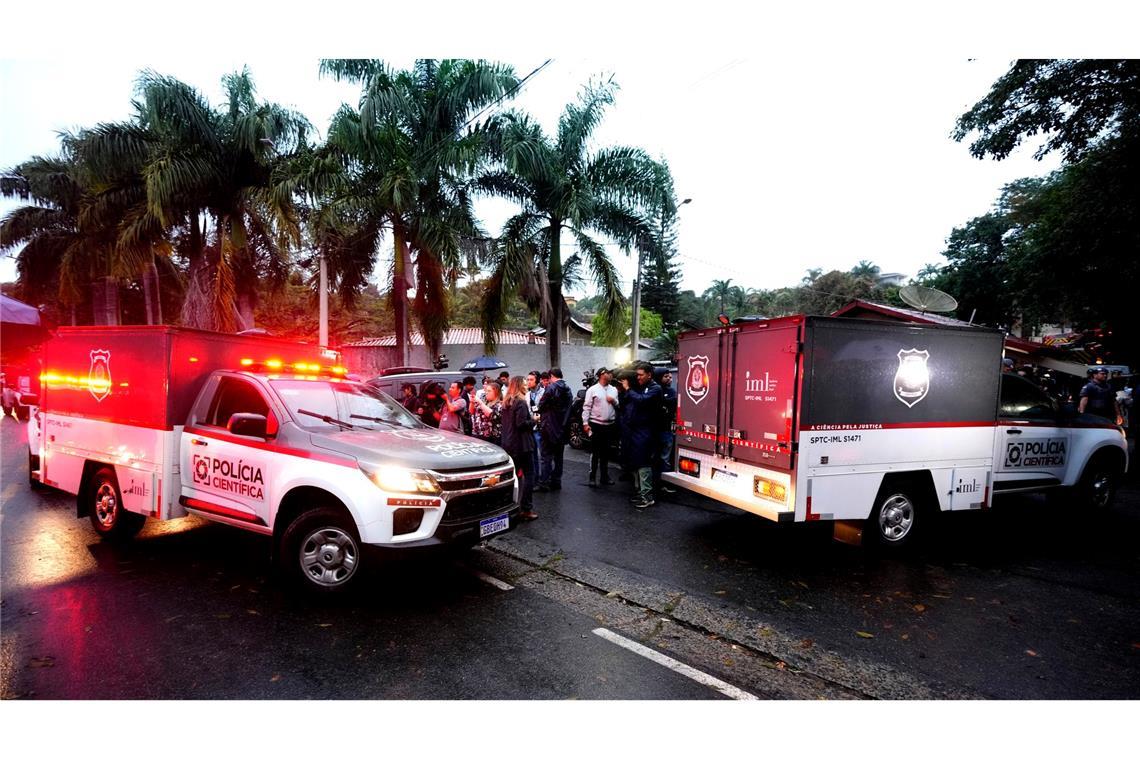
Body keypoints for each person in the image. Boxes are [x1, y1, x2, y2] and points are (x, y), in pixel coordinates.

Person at [620, 362, 662, 509]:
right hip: (636, 430)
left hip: (646, 431)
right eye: (636, 375)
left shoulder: (655, 389)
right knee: (636, 462)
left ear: (649, 375)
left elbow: (641, 401)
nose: (638, 377)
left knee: (644, 463)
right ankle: (640, 492)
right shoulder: (641, 387)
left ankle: (647, 496)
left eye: (640, 375)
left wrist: (628, 389)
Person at [501, 376, 538, 521]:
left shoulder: (506, 402)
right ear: (518, 386)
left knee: (514, 477)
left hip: (509, 444)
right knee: (529, 475)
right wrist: (534, 420)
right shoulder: (521, 402)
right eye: (524, 383)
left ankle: (511, 506)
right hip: (522, 444)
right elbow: (521, 424)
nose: (526, 385)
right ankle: (526, 509)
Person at [536, 368, 572, 491]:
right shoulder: (568, 389)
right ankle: (556, 481)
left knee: (546, 456)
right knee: (559, 457)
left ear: (551, 376)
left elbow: (540, 406)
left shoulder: (550, 388)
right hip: (562, 427)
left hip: (549, 426)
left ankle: (544, 482)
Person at [582, 367, 619, 486]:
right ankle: (592, 477)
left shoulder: (613, 389)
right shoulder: (593, 390)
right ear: (602, 375)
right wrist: (585, 423)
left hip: (609, 425)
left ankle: (604, 476)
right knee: (595, 452)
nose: (611, 375)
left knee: (606, 452)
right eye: (608, 373)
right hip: (596, 425)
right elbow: (587, 407)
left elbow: (618, 404)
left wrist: (613, 401)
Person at [655, 369, 678, 494]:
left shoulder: (672, 392)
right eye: (666, 376)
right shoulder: (654, 390)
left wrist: (662, 404)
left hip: (666, 430)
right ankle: (655, 482)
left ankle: (665, 483)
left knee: (665, 458)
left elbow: (672, 403)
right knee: (654, 457)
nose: (670, 379)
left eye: (670, 377)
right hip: (653, 430)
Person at [526, 371, 545, 480]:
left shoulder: (544, 393)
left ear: (537, 381)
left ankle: (544, 479)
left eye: (531, 379)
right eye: (527, 379)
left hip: (541, 427)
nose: (528, 382)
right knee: (532, 456)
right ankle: (535, 478)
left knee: (543, 455)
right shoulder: (527, 394)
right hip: (530, 427)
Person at [471, 381, 503, 445]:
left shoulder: (499, 404)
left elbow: (492, 415)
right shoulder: (485, 402)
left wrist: (480, 402)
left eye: (489, 391)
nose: (486, 393)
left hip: (490, 437)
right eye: (486, 391)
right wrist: (472, 402)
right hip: (477, 434)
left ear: (496, 392)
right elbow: (472, 411)